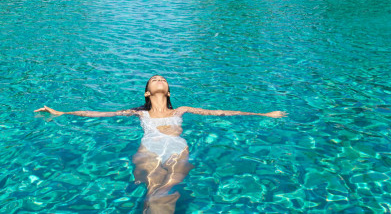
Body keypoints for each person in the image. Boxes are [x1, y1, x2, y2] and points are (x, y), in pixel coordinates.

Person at [36, 75, 286, 213]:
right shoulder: (138, 112)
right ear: (147, 93)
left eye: (162, 80)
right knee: (153, 191)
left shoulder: (182, 110)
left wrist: (263, 115)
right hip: (149, 150)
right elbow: (98, 114)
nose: (159, 80)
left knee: (167, 193)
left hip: (178, 150)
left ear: (167, 91)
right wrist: (62, 113)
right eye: (154, 79)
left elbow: (219, 112)